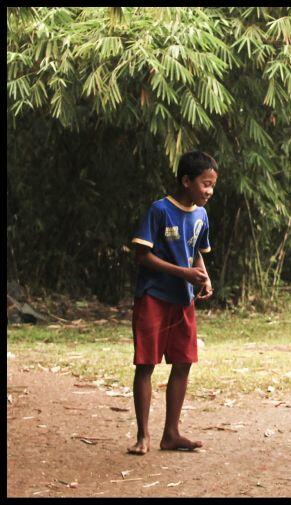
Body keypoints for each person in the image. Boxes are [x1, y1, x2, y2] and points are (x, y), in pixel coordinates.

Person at [127, 150, 218, 454]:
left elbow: (196, 254)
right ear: (186, 181)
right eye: (205, 184)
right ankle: (143, 436)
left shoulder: (201, 216)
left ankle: (171, 434)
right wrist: (183, 272)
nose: (209, 191)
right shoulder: (159, 210)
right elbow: (143, 255)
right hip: (153, 297)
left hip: (183, 300)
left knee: (183, 363)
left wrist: (204, 278)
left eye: (213, 185)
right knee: (146, 364)